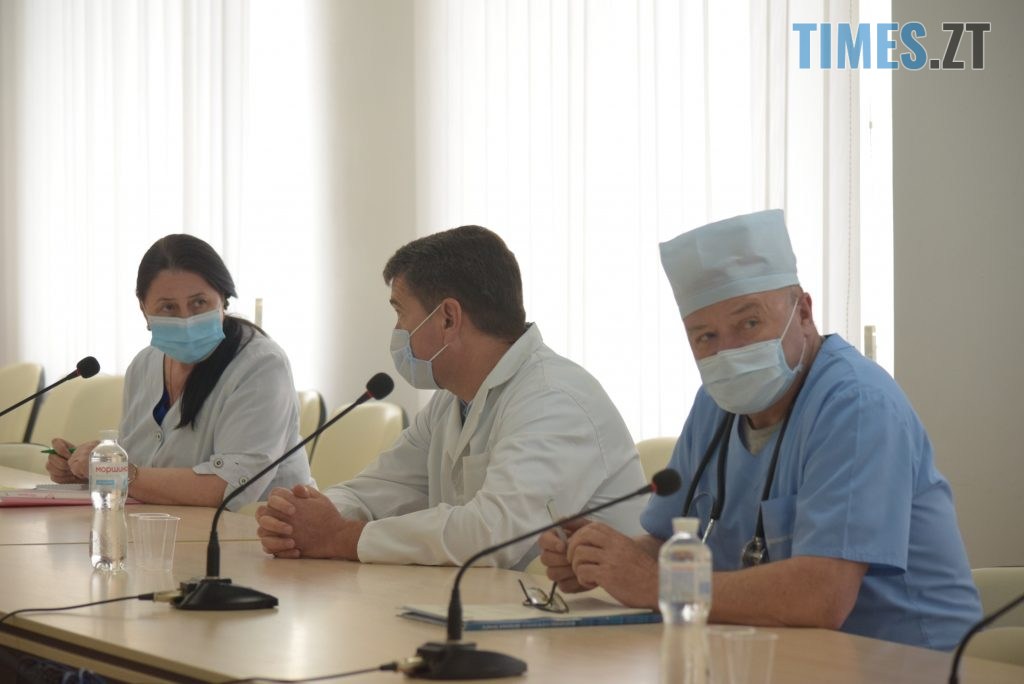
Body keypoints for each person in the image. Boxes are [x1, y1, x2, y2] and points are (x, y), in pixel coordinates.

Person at [538, 209, 981, 650]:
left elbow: (822, 596)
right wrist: (600, 559)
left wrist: (653, 584)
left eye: (749, 323)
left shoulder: (857, 405)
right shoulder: (715, 405)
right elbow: (665, 545)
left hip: (907, 661)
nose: (728, 352)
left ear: (803, 312)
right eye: (705, 337)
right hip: (779, 654)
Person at [256, 225, 646, 569]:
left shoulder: (555, 400)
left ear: (447, 318)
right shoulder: (451, 401)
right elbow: (381, 488)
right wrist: (302, 516)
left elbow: (491, 532)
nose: (397, 330)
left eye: (400, 313)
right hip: (498, 608)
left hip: (592, 622)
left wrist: (340, 537)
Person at [46, 234, 314, 510]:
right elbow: (140, 470)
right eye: (168, 307)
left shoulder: (261, 365)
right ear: (144, 309)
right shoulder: (143, 365)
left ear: (223, 298)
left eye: (199, 303)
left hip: (258, 530)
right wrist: (87, 467)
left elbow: (228, 488)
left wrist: (112, 472)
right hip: (167, 527)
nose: (186, 319)